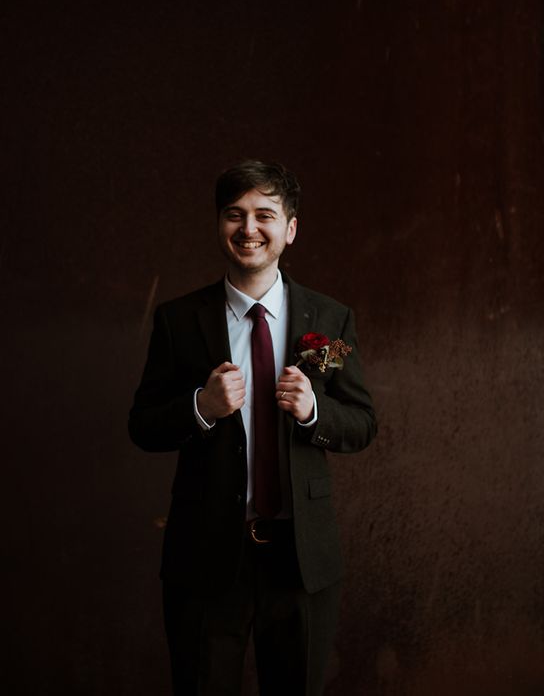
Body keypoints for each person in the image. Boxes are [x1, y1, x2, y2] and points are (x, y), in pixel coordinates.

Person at [128, 160, 377, 696]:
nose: (248, 228)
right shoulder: (178, 320)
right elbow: (143, 426)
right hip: (207, 557)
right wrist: (201, 406)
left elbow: (362, 423)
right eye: (234, 215)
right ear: (219, 225)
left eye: (264, 214)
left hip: (301, 559)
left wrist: (314, 411)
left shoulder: (330, 321)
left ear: (289, 229)